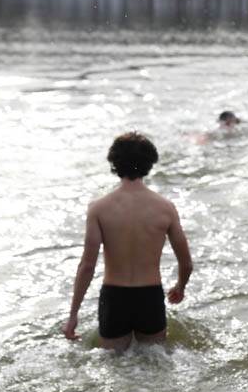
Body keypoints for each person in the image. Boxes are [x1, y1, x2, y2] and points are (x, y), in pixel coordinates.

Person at [62, 132, 192, 351]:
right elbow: (186, 263)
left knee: (115, 370)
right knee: (154, 364)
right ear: (150, 164)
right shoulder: (165, 208)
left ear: (114, 163)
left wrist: (73, 314)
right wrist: (180, 286)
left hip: (114, 297)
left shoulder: (99, 208)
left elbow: (87, 266)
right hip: (149, 296)